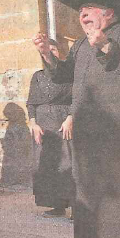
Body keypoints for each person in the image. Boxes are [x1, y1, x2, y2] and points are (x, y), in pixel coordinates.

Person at [33, 0, 120, 238]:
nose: (82, 14)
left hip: (118, 137)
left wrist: (106, 45)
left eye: (88, 8)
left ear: (109, 12)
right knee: (90, 201)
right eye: (80, 10)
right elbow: (64, 76)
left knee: (118, 207)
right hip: (85, 142)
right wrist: (48, 55)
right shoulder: (80, 44)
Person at [27, 39, 73, 218]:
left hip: (63, 123)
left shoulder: (68, 75)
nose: (51, 53)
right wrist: (33, 124)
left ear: (60, 53)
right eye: (48, 50)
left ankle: (77, 208)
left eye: (54, 49)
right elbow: (31, 103)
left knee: (68, 164)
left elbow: (77, 98)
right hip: (43, 126)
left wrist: (70, 118)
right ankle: (57, 206)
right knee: (47, 165)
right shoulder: (37, 76)